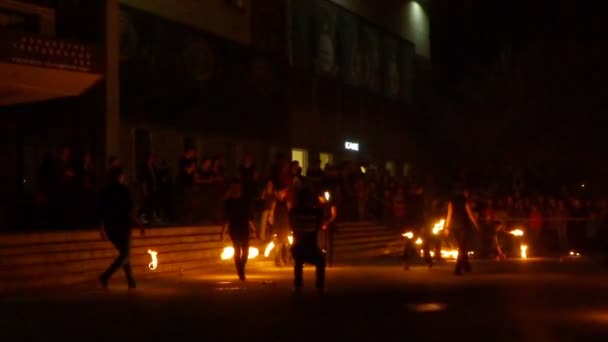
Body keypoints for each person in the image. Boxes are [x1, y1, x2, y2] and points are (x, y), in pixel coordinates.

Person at [98, 167, 144, 290]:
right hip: (123, 226)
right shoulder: (124, 191)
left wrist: (102, 228)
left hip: (110, 227)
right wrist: (139, 224)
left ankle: (131, 281)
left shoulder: (105, 191)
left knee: (124, 253)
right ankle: (105, 276)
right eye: (123, 176)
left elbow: (101, 211)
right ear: (120, 177)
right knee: (125, 255)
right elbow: (130, 211)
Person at [291, 186, 326, 294]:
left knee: (298, 260)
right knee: (321, 260)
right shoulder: (314, 212)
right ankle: (319, 285)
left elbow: (292, 226)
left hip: (297, 248)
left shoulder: (294, 212)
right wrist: (323, 203)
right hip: (311, 248)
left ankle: (298, 284)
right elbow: (320, 224)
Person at [221, 179, 256, 281]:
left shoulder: (245, 201)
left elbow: (249, 216)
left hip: (244, 228)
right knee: (237, 250)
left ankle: (241, 266)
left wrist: (254, 228)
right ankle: (240, 270)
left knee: (245, 251)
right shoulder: (228, 202)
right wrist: (223, 232)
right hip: (235, 228)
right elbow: (226, 218)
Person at [445, 188, 479, 275]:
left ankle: (466, 266)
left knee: (462, 247)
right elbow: (470, 213)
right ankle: (458, 269)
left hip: (454, 226)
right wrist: (476, 224)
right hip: (463, 226)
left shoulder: (451, 201)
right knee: (462, 247)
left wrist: (447, 227)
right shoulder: (465, 201)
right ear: (464, 193)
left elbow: (449, 214)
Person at [318, 189, 337, 267]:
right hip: (322, 225)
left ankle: (329, 261)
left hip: (329, 226)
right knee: (322, 244)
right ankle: (322, 260)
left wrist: (327, 223)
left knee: (329, 244)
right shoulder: (321, 206)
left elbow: (333, 215)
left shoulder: (331, 204)